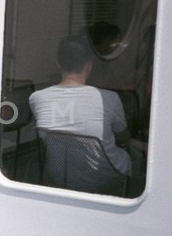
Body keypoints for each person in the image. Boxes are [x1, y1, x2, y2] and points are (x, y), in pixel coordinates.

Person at [30, 36, 145, 190]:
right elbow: (123, 137)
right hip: (105, 178)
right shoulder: (109, 98)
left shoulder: (37, 98)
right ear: (89, 66)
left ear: (58, 64)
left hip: (59, 177)